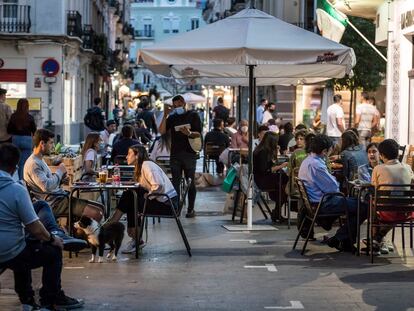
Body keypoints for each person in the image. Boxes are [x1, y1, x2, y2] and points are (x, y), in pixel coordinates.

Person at [0, 143, 85, 310]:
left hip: (10, 243)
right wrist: (52, 240)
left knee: (40, 205)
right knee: (51, 250)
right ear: (15, 167)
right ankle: (50, 298)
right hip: (10, 250)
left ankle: (27, 301)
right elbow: (35, 228)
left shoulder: (17, 188)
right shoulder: (16, 190)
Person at [298, 134, 368, 252]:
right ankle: (340, 238)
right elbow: (333, 189)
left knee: (356, 205)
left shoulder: (308, 161)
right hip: (323, 204)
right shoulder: (316, 165)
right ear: (325, 151)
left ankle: (344, 240)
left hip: (316, 203)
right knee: (364, 206)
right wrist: (334, 180)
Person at [108, 145, 178, 253]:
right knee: (130, 197)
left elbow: (158, 185)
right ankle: (133, 237)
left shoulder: (147, 165)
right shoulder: (142, 166)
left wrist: (149, 195)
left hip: (168, 205)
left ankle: (113, 226)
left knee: (130, 197)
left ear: (137, 155)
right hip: (164, 202)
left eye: (129, 154)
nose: (126, 157)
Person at [24, 129, 96, 217]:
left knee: (98, 208)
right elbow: (46, 186)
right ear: (42, 143)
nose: (53, 146)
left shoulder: (39, 159)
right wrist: (59, 172)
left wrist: (60, 180)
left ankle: (80, 229)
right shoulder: (34, 164)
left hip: (59, 198)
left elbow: (46, 182)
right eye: (51, 143)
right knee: (96, 212)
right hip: (54, 203)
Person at [159, 95, 202, 218]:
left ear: (183, 103)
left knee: (190, 182)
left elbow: (198, 133)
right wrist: (165, 115)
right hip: (176, 154)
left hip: (189, 153)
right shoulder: (172, 118)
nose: (177, 107)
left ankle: (190, 209)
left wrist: (189, 133)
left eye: (178, 105)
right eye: (175, 106)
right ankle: (176, 208)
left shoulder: (193, 115)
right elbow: (161, 131)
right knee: (176, 182)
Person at [370, 139, 414, 254]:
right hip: (406, 212)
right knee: (394, 208)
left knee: (371, 203)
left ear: (382, 155)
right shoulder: (408, 168)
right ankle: (379, 238)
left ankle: (376, 239)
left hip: (385, 211)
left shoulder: (378, 168)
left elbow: (374, 188)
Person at [253, 132, 289, 222]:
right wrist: (281, 166)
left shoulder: (263, 150)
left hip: (263, 177)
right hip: (262, 180)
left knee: (284, 181)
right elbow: (265, 169)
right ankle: (277, 210)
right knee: (285, 184)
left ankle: (277, 211)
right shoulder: (263, 152)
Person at [7, 98, 37, 179]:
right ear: (27, 106)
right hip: (27, 140)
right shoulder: (30, 117)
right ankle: (22, 181)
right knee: (23, 163)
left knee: (14, 161)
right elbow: (34, 130)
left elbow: (9, 129)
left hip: (15, 140)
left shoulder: (13, 116)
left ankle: (10, 180)